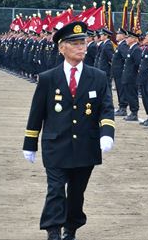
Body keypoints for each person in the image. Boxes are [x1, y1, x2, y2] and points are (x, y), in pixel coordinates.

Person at [22, 21, 115, 240]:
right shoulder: (48, 78)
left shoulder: (98, 77)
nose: (81, 47)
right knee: (55, 190)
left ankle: (70, 228)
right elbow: (37, 113)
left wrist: (107, 134)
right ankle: (53, 230)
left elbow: (106, 109)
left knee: (76, 193)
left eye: (83, 42)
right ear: (61, 47)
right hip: (56, 145)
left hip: (86, 145)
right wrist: (30, 143)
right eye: (75, 44)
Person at [120, 30, 142, 121]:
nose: (126, 39)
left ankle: (134, 112)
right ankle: (132, 112)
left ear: (134, 39)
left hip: (132, 77)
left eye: (128, 37)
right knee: (129, 95)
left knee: (132, 95)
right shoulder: (131, 48)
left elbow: (138, 63)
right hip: (128, 76)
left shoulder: (136, 49)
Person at [112, 28, 129, 116]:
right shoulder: (120, 45)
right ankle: (121, 107)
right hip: (117, 72)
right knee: (119, 89)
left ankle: (123, 108)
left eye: (118, 34)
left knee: (121, 90)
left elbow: (126, 58)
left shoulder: (123, 46)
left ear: (123, 36)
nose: (116, 35)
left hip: (120, 72)